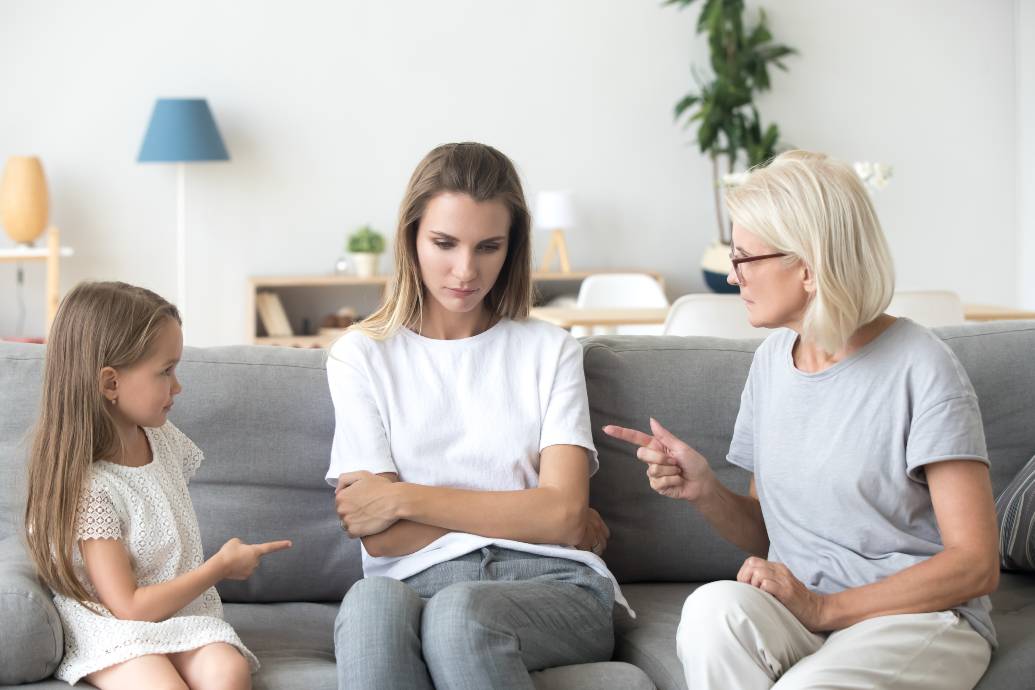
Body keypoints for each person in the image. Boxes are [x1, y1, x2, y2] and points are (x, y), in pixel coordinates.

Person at [605, 150, 999, 690]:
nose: (732, 274)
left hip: (914, 617)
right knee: (712, 610)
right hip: (802, 610)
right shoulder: (772, 362)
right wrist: (705, 491)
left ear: (808, 268)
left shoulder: (921, 365)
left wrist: (826, 608)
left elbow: (975, 564)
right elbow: (766, 530)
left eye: (745, 258)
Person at [327, 142, 627, 690]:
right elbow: (382, 540)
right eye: (444, 243)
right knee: (370, 604)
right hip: (410, 583)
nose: (465, 271)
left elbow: (562, 517)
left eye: (489, 247)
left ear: (511, 249)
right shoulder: (360, 354)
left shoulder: (551, 350)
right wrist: (531, 511)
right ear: (411, 237)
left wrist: (402, 497)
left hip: (553, 585)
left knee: (461, 613)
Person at [23, 281, 292, 689]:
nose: (178, 386)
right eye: (165, 371)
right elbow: (128, 606)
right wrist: (219, 567)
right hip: (114, 624)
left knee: (228, 671)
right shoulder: (90, 490)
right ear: (110, 383)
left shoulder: (163, 440)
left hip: (181, 613)